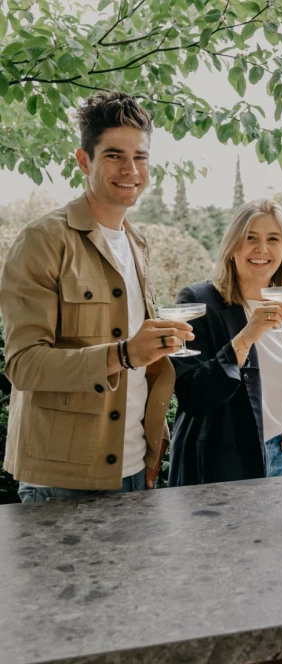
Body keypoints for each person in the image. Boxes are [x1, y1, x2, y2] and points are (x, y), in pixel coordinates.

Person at [0, 92, 192, 502]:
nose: (130, 169)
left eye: (140, 157)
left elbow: (140, 362)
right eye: (114, 155)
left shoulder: (137, 244)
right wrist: (123, 354)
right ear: (84, 160)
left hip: (136, 468)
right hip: (62, 481)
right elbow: (22, 365)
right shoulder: (43, 241)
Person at [168, 199, 282, 487]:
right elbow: (193, 395)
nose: (262, 249)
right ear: (232, 247)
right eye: (251, 238)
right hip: (219, 468)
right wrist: (248, 336)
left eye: (273, 239)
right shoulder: (199, 301)